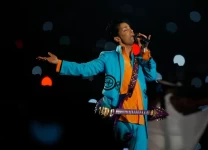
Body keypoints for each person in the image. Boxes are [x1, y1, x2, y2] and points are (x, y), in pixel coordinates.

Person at [37, 19, 157, 150]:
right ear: (117, 38)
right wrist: (60, 63)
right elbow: (85, 69)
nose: (131, 31)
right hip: (120, 117)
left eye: (130, 28)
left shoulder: (139, 59)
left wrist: (145, 51)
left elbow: (152, 76)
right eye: (125, 29)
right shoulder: (108, 57)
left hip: (140, 119)